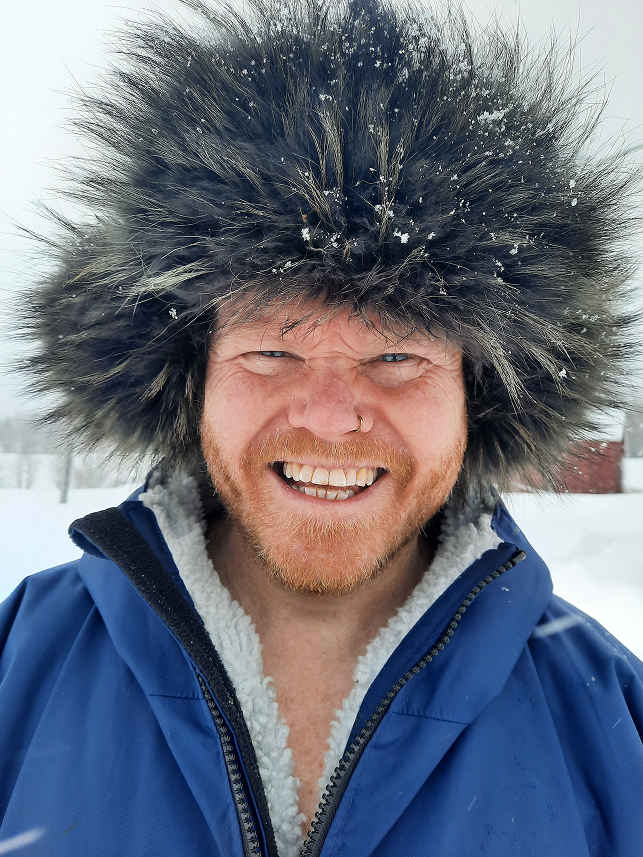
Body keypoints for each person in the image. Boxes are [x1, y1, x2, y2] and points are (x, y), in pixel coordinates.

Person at [1, 0, 642, 853]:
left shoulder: (609, 718)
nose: (331, 417)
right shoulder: (21, 664)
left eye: (396, 357)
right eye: (271, 350)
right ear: (191, 379)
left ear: (475, 392)